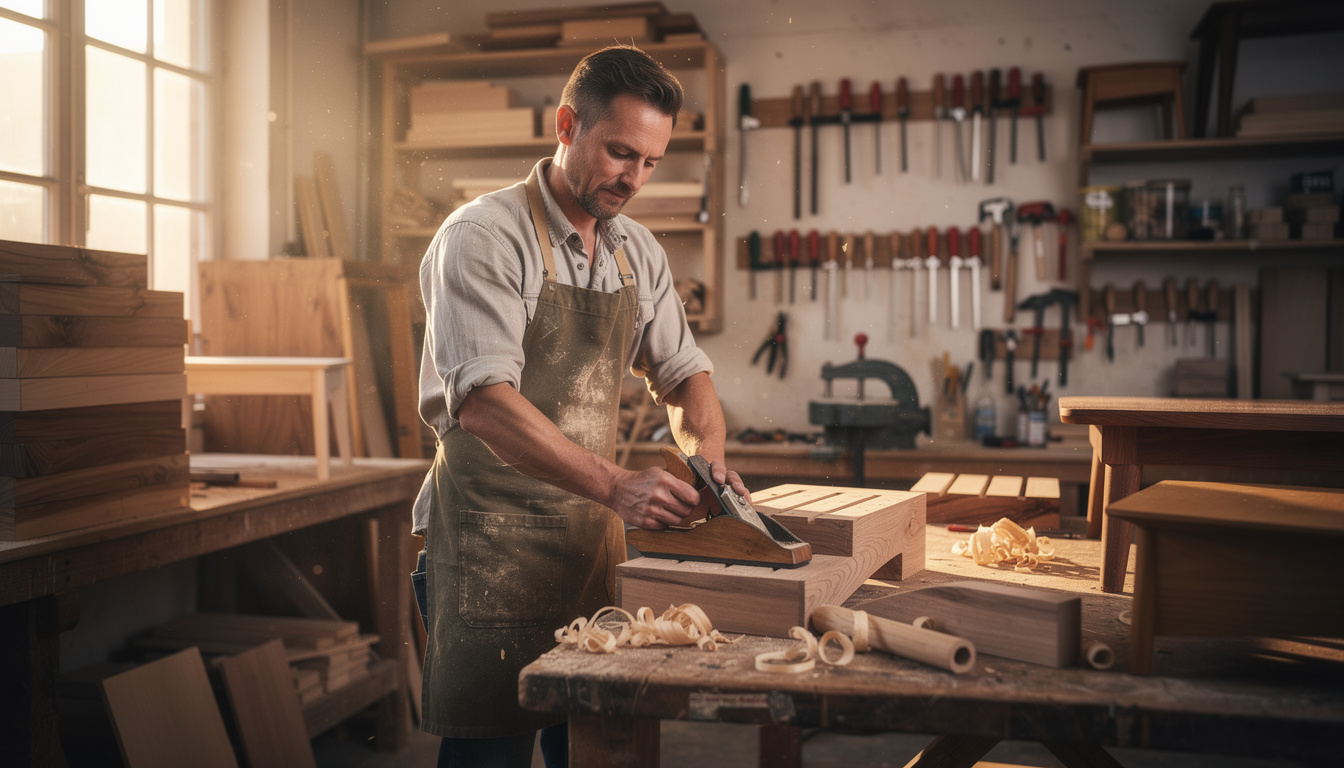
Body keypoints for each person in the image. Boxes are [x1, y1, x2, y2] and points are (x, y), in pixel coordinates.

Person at [412, 45, 747, 768]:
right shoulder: (483, 237)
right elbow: (485, 405)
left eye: (651, 162)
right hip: (487, 545)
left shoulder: (638, 252)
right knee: (489, 754)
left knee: (597, 748)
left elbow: (686, 374)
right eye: (621, 152)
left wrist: (708, 457)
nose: (634, 179)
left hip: (588, 546)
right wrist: (620, 486)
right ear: (568, 125)